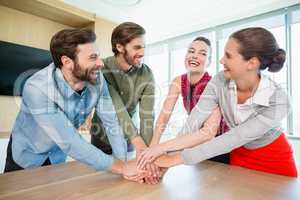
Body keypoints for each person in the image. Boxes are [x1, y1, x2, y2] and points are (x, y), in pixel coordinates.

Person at [138, 27, 298, 177]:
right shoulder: (220, 80)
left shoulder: (280, 101)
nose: (221, 60)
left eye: (228, 56)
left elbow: (235, 136)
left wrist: (171, 160)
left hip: (273, 157)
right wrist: (162, 152)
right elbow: (194, 120)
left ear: (252, 63)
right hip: (237, 153)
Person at [4, 28, 145, 181]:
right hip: (27, 155)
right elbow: (70, 142)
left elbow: (112, 123)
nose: (101, 63)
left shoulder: (97, 80)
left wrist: (123, 165)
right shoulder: (37, 88)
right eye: (93, 57)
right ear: (67, 62)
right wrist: (122, 167)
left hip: (57, 157)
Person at [137, 36, 229, 167]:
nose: (195, 56)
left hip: (220, 145)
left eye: (202, 53)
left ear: (208, 62)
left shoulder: (212, 85)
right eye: (191, 51)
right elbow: (164, 117)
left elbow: (208, 133)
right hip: (195, 141)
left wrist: (161, 149)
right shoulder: (178, 81)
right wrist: (152, 149)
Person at [90, 22, 161, 184]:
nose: (142, 52)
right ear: (120, 47)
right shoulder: (102, 68)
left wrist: (146, 155)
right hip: (101, 136)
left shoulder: (146, 74)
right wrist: (139, 143)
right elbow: (117, 109)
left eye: (144, 47)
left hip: (129, 138)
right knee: (100, 183)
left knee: (128, 184)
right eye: (137, 47)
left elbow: (147, 115)